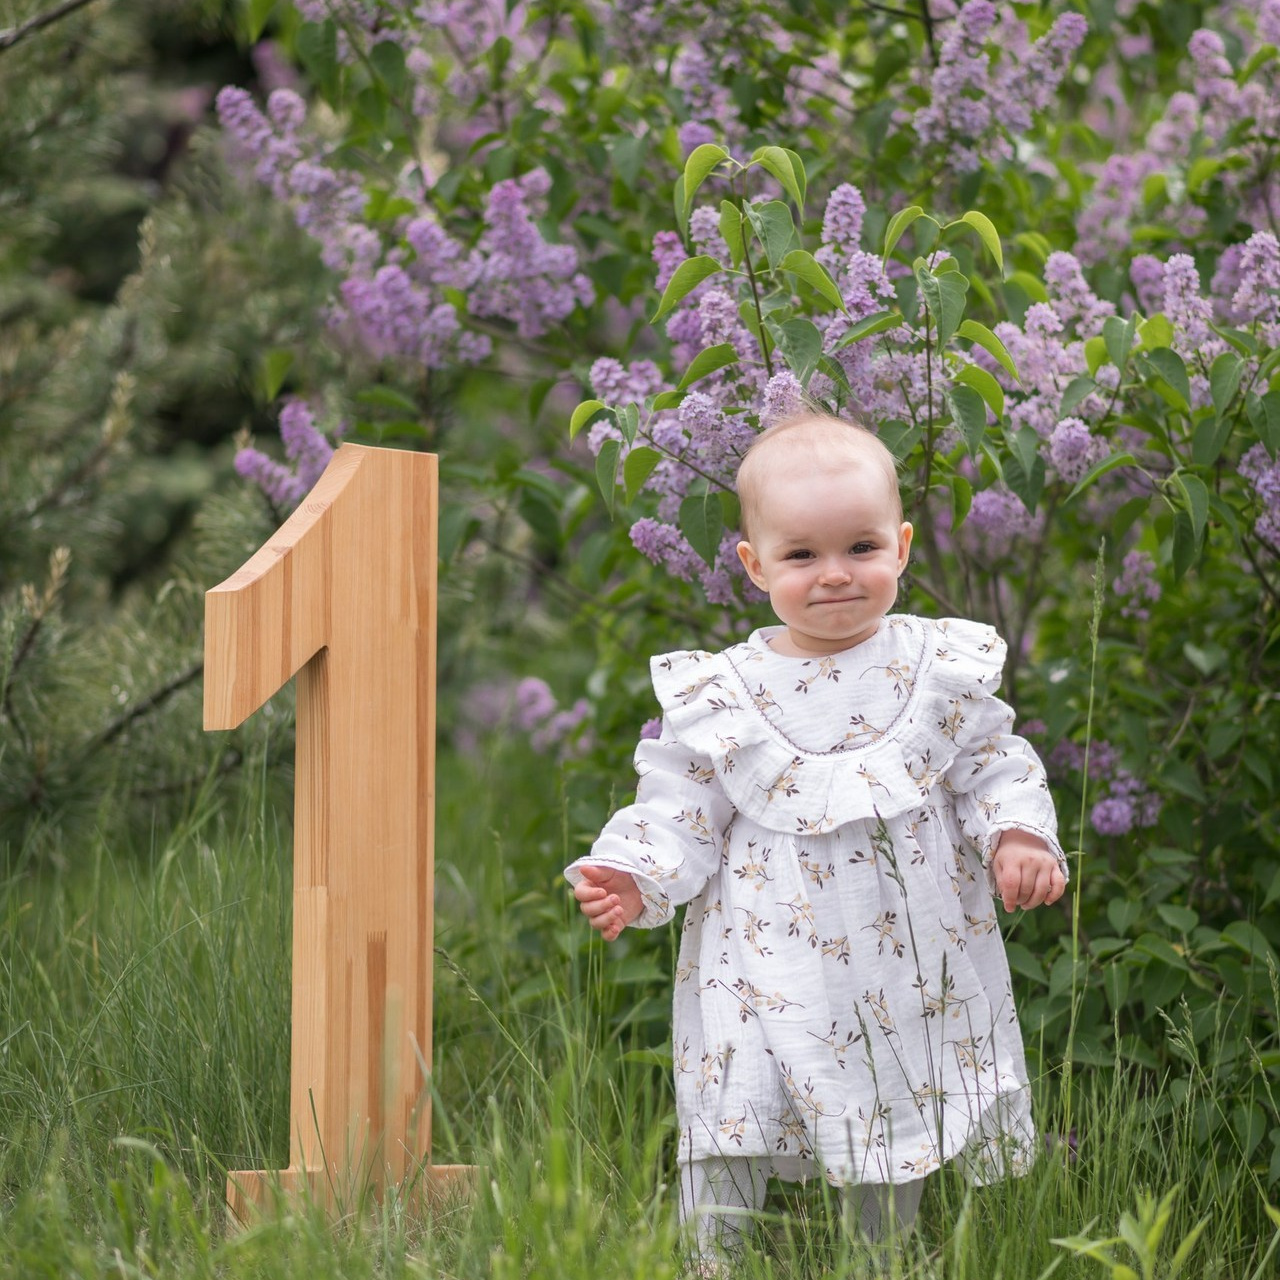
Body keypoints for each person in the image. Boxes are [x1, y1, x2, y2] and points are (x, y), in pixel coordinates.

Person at [566, 412, 1066, 1267]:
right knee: (735, 1100)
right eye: (802, 556)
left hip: (901, 954)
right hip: (758, 957)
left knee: (891, 1093)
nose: (835, 575)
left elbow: (993, 762)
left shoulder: (935, 668)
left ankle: (881, 1255)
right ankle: (710, 1257)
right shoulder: (727, 693)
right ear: (755, 565)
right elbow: (679, 802)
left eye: (861, 548)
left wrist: (1017, 832)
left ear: (902, 547)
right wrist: (634, 871)